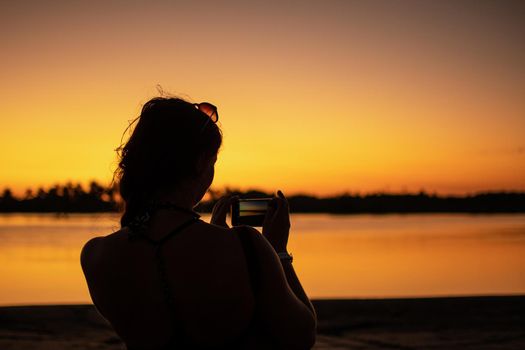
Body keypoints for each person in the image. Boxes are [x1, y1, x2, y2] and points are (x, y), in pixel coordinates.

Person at [80, 97, 317, 349]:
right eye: (213, 162)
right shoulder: (247, 246)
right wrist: (277, 250)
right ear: (201, 162)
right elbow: (302, 336)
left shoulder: (96, 255)